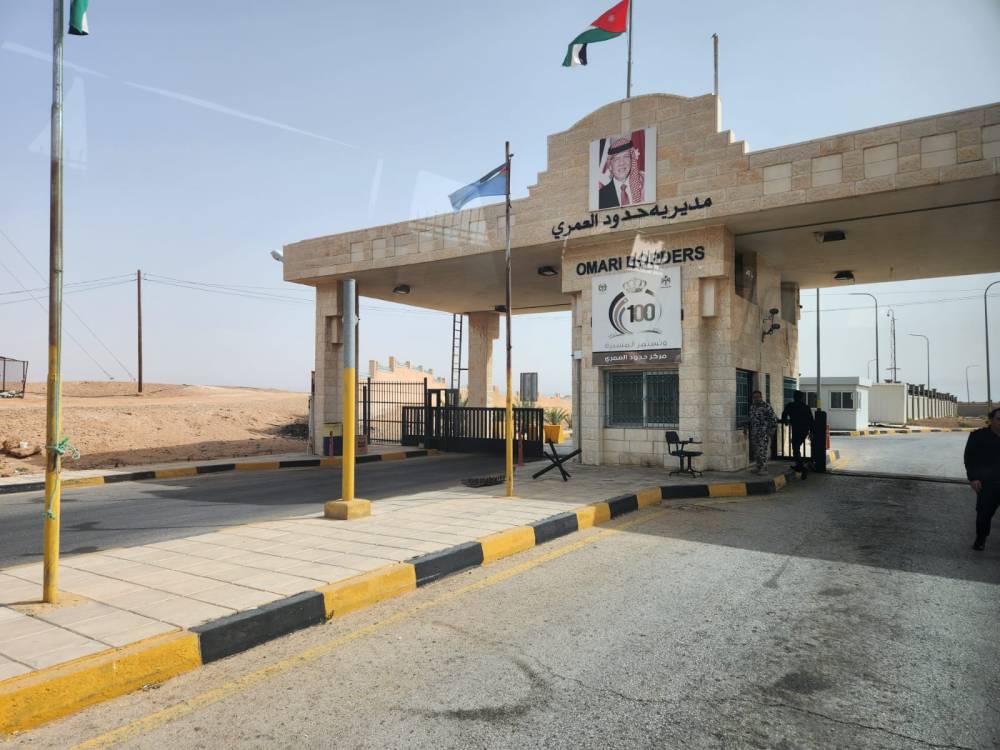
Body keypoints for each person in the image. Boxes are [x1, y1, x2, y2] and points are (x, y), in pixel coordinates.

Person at [963, 407, 1000, 551]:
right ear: (991, 420)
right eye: (999, 419)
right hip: (988, 484)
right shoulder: (978, 436)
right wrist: (973, 478)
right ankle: (981, 539)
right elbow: (969, 459)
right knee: (984, 514)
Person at [598, 136, 645, 209]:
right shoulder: (600, 196)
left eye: (626, 157)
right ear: (610, 165)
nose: (622, 163)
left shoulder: (643, 187)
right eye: (617, 159)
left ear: (631, 160)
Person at [782, 390, 815, 477]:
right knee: (796, 447)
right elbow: (811, 420)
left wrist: (785, 421)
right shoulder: (806, 407)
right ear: (802, 397)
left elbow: (784, 414)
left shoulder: (790, 405)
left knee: (795, 447)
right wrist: (811, 432)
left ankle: (802, 467)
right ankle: (799, 465)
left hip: (796, 429)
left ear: (794, 397)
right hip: (804, 430)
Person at [748, 390, 777, 474]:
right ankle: (758, 467)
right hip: (754, 432)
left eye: (757, 397)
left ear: (761, 397)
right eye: (754, 397)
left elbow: (773, 418)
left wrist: (772, 430)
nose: (756, 398)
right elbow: (751, 419)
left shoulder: (766, 406)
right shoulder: (752, 407)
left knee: (762, 450)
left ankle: (764, 469)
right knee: (756, 451)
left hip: (763, 433)